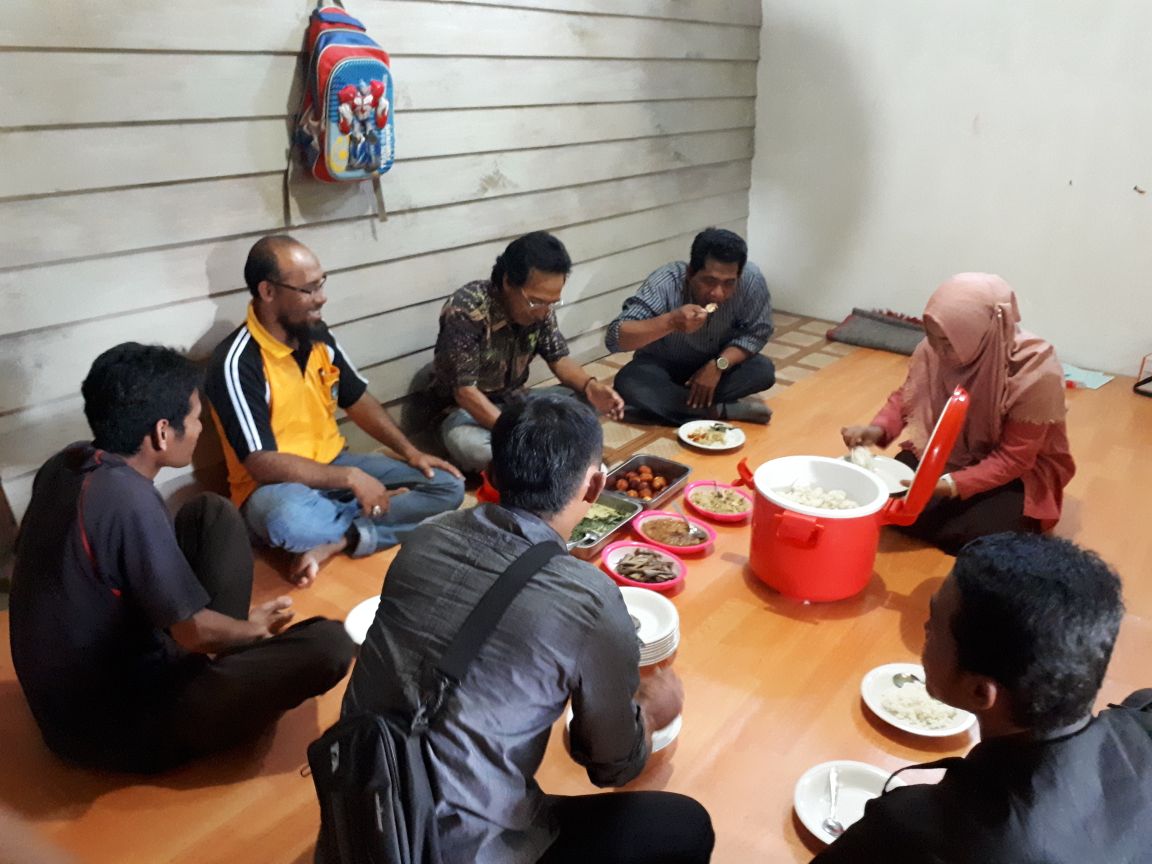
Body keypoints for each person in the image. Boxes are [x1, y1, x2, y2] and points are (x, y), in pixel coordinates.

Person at [342, 394, 714, 864]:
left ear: (491, 475)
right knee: (686, 825)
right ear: (595, 486)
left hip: (361, 808)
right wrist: (651, 713)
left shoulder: (426, 537)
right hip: (455, 847)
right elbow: (611, 765)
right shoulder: (589, 598)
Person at [9, 343, 356, 774]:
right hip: (114, 727)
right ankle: (228, 680)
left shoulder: (67, 462)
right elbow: (191, 633)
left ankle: (224, 655)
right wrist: (252, 630)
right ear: (161, 433)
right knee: (331, 644)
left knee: (212, 514)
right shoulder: (128, 499)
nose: (199, 427)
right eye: (194, 417)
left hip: (74, 695)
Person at [813, 532, 1152, 862]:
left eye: (935, 625)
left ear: (979, 692)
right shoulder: (1143, 723)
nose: (926, 629)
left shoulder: (918, 831)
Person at [206, 235, 464, 586]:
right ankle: (369, 515)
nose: (321, 297)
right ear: (268, 292)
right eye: (308, 289)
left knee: (448, 486)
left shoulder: (316, 335)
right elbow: (260, 462)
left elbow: (356, 399)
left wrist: (410, 452)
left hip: (334, 463)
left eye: (321, 283)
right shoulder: (236, 362)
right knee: (289, 522)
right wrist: (351, 479)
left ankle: (342, 537)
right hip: (275, 489)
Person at [842, 273, 1075, 555]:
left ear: (980, 333)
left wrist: (950, 485)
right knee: (893, 488)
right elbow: (908, 395)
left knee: (987, 533)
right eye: (930, 336)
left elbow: (1015, 458)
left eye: (948, 342)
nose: (937, 349)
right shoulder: (934, 349)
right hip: (947, 450)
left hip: (1017, 471)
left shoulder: (1035, 370)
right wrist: (877, 429)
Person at [431, 231, 625, 473]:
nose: (544, 311)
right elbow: (465, 393)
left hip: (517, 401)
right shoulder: (466, 309)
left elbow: (559, 358)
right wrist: (521, 434)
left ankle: (536, 458)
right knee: (472, 448)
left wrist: (591, 386)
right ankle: (544, 457)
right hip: (467, 413)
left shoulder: (541, 309)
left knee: (584, 405)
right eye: (536, 301)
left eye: (552, 302)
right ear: (508, 282)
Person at [605, 227, 775, 425]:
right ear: (690, 272)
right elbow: (616, 337)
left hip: (718, 362)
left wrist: (719, 365)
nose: (718, 293)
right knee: (629, 382)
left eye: (729, 283)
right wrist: (671, 322)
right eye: (709, 281)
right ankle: (721, 410)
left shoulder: (751, 280)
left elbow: (757, 332)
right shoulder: (667, 282)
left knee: (762, 370)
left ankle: (677, 407)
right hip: (663, 365)